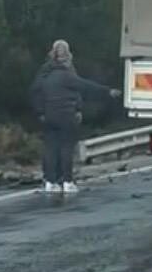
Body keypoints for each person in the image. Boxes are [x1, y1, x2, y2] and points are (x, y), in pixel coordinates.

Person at [29, 40, 122, 194]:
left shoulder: (44, 73)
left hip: (49, 116)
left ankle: (50, 182)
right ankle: (67, 181)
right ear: (67, 55)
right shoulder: (67, 74)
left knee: (50, 148)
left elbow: (35, 92)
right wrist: (107, 91)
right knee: (66, 148)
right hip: (66, 115)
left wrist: (41, 112)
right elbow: (85, 86)